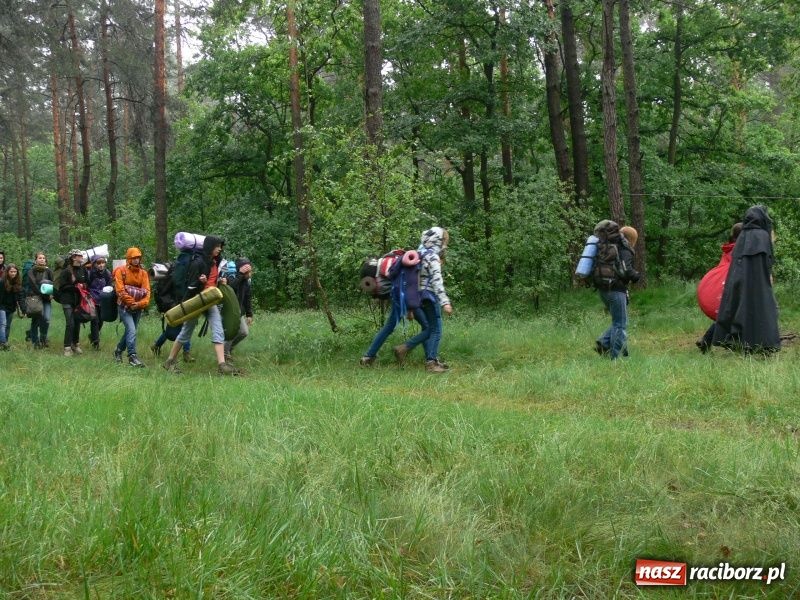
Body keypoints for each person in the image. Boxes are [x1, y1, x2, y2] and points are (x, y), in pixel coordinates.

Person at [163, 235, 240, 375]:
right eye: (217, 246)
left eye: (220, 247)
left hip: (210, 300)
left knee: (218, 329)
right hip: (197, 301)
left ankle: (222, 365)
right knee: (186, 331)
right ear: (210, 247)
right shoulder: (198, 263)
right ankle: (170, 361)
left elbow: (215, 279)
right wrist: (200, 282)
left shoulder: (215, 262)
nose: (219, 249)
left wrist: (222, 280)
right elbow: (190, 287)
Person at [712, 205, 780, 353]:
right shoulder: (763, 236)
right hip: (758, 282)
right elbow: (767, 261)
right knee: (762, 309)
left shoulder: (742, 236)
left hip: (738, 279)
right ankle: (764, 345)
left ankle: (738, 342)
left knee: (737, 309)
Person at [392, 227, 453, 373]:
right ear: (439, 241)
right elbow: (437, 281)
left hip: (416, 296)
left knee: (429, 329)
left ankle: (430, 358)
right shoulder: (432, 257)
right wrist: (445, 302)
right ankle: (428, 361)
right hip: (429, 296)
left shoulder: (419, 253)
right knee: (435, 330)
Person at [594, 224, 640, 360]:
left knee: (617, 321)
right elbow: (627, 270)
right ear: (632, 239)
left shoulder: (609, 247)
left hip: (603, 289)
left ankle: (603, 343)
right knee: (621, 324)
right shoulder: (624, 249)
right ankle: (616, 357)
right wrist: (636, 276)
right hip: (616, 290)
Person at [695, 222, 742, 353]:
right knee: (732, 317)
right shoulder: (738, 250)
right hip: (732, 288)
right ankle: (710, 340)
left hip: (727, 288)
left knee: (729, 317)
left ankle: (708, 340)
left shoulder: (729, 249)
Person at [113, 247, 151, 367]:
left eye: (138, 258)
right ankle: (132, 356)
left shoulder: (143, 273)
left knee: (130, 330)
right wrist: (131, 303)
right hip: (124, 307)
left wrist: (139, 304)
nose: (136, 260)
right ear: (129, 258)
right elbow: (120, 290)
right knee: (132, 330)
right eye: (134, 258)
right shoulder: (121, 271)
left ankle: (118, 351)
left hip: (137, 308)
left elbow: (147, 292)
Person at [57, 249, 89, 356]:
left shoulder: (83, 270)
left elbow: (86, 283)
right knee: (70, 323)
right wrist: (75, 287)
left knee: (77, 323)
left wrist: (83, 287)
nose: (82, 257)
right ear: (74, 257)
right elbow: (62, 287)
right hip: (67, 300)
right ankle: (67, 347)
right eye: (80, 255)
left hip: (79, 301)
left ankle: (75, 344)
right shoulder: (66, 271)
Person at [223, 258, 254, 362]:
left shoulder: (247, 282)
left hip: (238, 312)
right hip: (228, 311)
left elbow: (247, 299)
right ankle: (224, 355)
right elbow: (230, 287)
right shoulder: (231, 278)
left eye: (250, 270)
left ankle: (228, 349)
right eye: (248, 271)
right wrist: (240, 274)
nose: (250, 273)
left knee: (244, 332)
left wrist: (249, 314)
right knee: (232, 333)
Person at [26, 252, 54, 349]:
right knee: (36, 320)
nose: (42, 259)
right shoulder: (31, 271)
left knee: (46, 319)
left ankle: (43, 338)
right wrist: (43, 291)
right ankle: (35, 341)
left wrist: (52, 294)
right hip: (35, 298)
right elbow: (33, 285)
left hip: (46, 299)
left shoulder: (49, 271)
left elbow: (54, 284)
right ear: (36, 260)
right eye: (40, 258)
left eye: (43, 258)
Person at [87, 256, 113, 350]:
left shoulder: (107, 273)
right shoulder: (90, 274)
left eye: (103, 263)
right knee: (95, 320)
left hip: (103, 301)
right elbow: (87, 286)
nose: (101, 265)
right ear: (94, 264)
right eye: (99, 263)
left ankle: (93, 335)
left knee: (101, 321)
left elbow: (109, 286)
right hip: (92, 300)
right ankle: (96, 343)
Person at [0, 263, 25, 350]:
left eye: (15, 272)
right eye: (11, 271)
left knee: (8, 325)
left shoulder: (18, 283)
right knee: (2, 324)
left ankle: (4, 342)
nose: (13, 273)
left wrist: (23, 309)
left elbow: (21, 297)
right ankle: (3, 343)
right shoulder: (2, 282)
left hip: (11, 307)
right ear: (7, 272)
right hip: (1, 306)